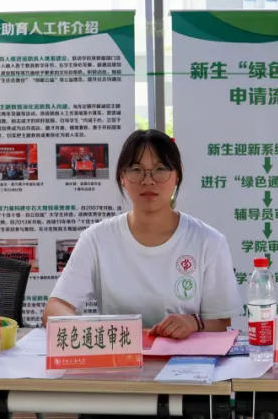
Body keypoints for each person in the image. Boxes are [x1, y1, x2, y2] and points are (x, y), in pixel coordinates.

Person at [42, 129, 243, 337]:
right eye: (136, 169)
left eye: (160, 169)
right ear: (122, 177)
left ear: (177, 175)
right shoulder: (97, 239)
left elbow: (221, 322)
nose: (148, 180)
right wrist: (96, 332)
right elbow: (55, 308)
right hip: (118, 354)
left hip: (184, 356)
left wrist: (193, 323)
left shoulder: (208, 241)